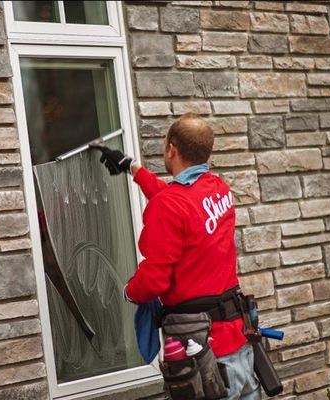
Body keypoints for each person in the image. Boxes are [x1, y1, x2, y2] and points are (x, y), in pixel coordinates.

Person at [93, 113, 261, 400]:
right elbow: (180, 203)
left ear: (172, 148)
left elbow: (154, 280)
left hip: (207, 360)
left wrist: (128, 292)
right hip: (240, 341)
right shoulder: (218, 189)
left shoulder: (170, 206)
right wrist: (133, 168)